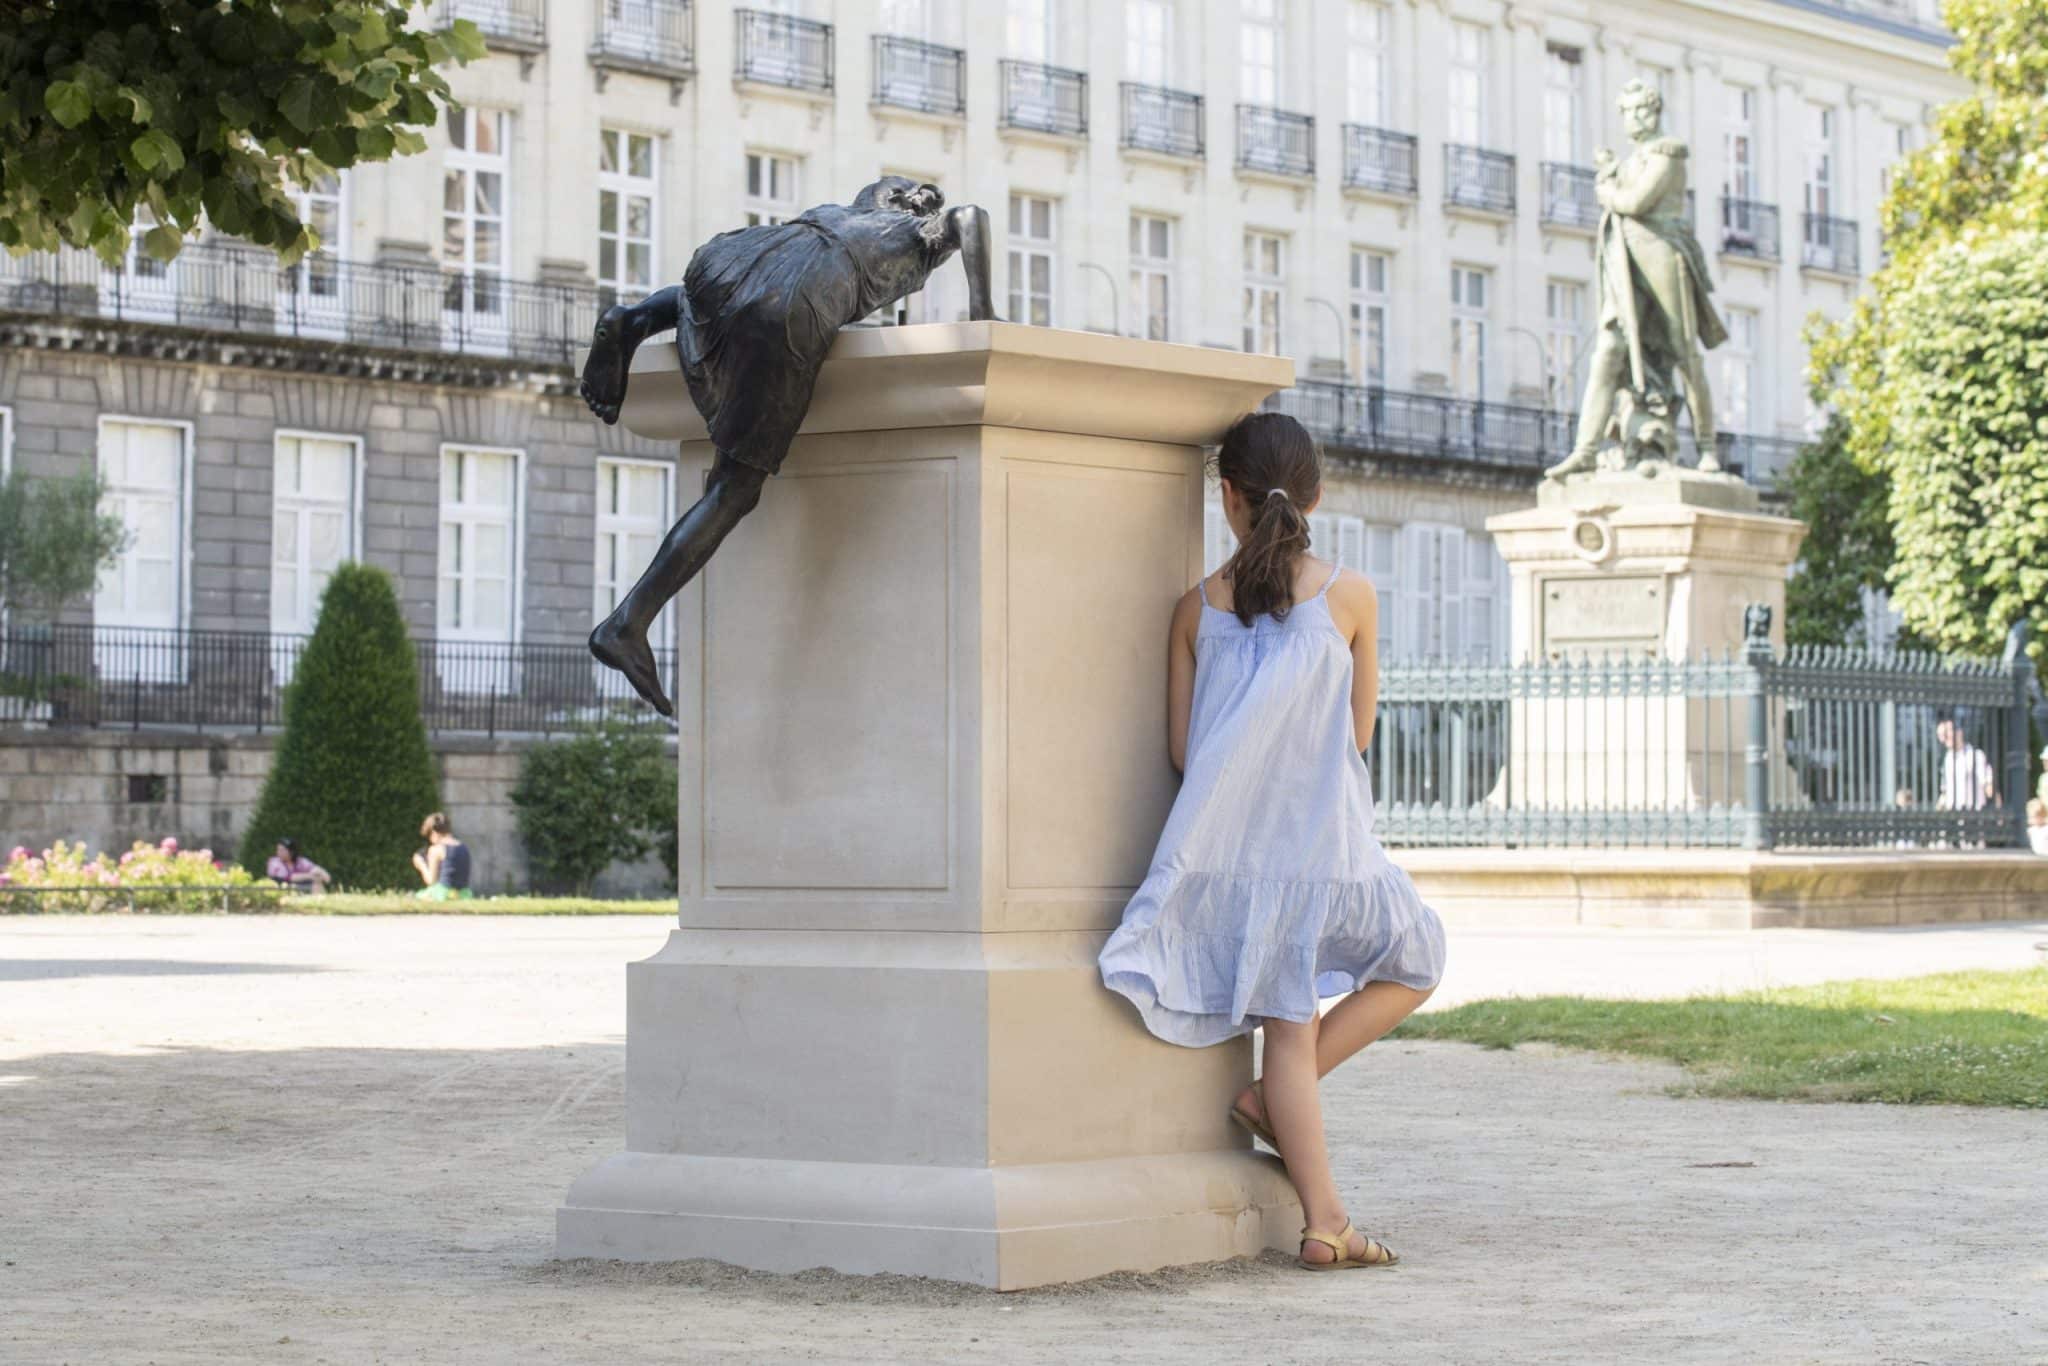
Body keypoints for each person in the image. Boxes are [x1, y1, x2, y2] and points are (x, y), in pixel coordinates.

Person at [1098, 412, 1446, 1272]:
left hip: (1221, 854)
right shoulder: (1350, 598)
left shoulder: (1194, 610)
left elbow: (1185, 752)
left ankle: (1278, 1117)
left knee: (1289, 1032)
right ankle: (1325, 1220)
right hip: (1317, 846)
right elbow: (1356, 737)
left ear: (1228, 498)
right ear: (1318, 495)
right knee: (1411, 967)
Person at [576, 176, 994, 717]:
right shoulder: (917, 233)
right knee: (736, 486)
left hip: (735, 259)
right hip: (799, 302)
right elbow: (971, 217)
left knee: (736, 299)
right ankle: (627, 623)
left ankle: (634, 318)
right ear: (917, 205)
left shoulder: (840, 214)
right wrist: (983, 309)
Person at [1935, 719, 1997, 811]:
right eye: (1940, 735)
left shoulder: (1975, 756)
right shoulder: (1947, 759)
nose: (1943, 738)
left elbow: (1989, 787)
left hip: (1973, 818)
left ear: (1959, 732)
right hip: (1953, 818)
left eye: (1946, 733)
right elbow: (1945, 792)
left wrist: (1999, 814)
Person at [412, 812, 474, 901]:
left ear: (433, 832)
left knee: (417, 896)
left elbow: (431, 881)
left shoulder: (436, 849)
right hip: (464, 894)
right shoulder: (463, 847)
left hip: (443, 893)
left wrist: (421, 864)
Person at [264, 838, 331, 895]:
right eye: (278, 850)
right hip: (282, 889)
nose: (278, 852)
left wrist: (323, 874)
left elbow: (317, 870)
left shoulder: (300, 861)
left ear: (291, 852)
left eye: (282, 850)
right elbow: (289, 878)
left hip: (299, 888)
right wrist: (311, 876)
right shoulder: (274, 862)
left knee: (317, 884)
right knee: (315, 884)